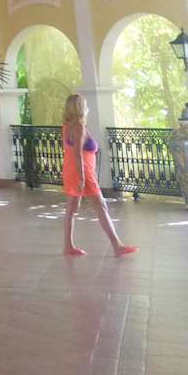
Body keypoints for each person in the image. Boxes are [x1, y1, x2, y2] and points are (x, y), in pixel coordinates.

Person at [62, 94, 137, 257]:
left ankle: (68, 246)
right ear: (81, 108)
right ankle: (117, 246)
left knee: (72, 210)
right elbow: (77, 154)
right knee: (101, 206)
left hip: (73, 171)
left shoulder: (67, 126)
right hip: (83, 173)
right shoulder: (78, 127)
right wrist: (82, 177)